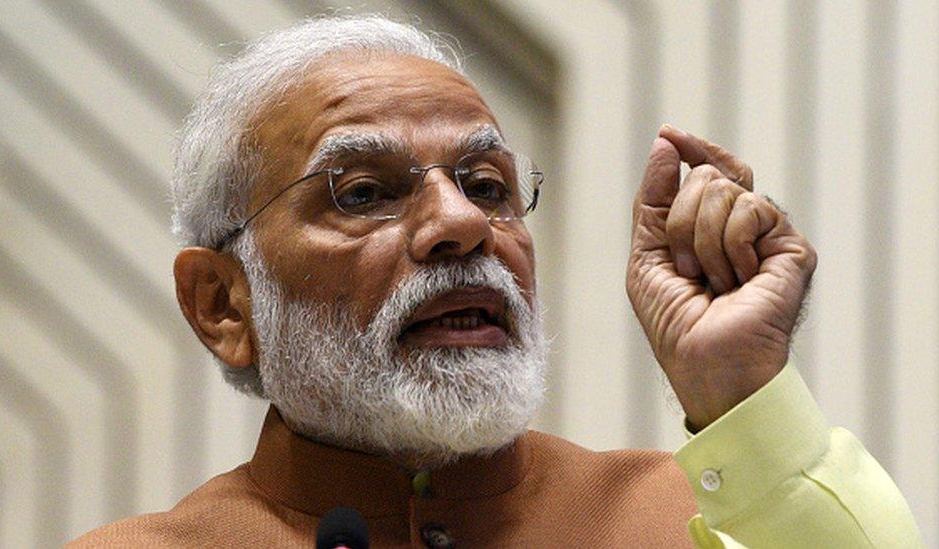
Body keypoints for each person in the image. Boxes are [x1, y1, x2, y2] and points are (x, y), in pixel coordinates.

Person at [70, 15, 922, 548]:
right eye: (363, 192)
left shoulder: (680, 524)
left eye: (486, 185)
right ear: (223, 304)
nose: (463, 223)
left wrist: (739, 389)